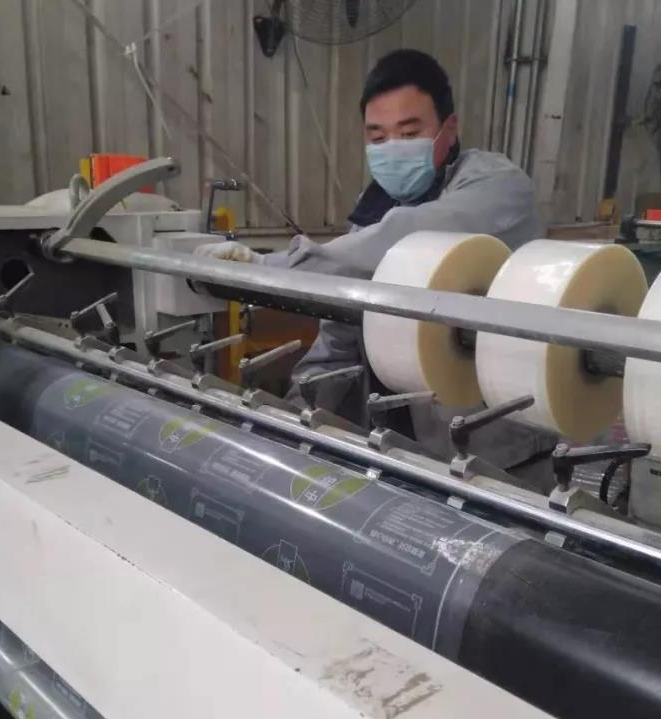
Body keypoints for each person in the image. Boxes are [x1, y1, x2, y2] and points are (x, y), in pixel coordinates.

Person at [194, 49, 540, 462]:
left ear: (449, 129)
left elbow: (406, 239)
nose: (392, 148)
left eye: (409, 134)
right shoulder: (374, 208)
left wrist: (268, 268)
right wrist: (292, 416)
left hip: (492, 450)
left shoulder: (497, 188)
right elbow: (340, 331)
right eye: (377, 138)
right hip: (399, 441)